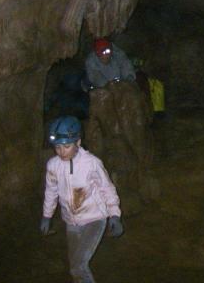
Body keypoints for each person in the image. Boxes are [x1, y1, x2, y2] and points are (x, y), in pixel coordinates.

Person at [40, 115, 123, 283]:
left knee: (78, 266)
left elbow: (106, 188)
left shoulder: (92, 163)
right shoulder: (53, 166)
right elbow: (51, 192)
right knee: (75, 264)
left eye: (67, 146)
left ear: (78, 143)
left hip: (95, 219)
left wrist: (114, 214)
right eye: (57, 147)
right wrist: (46, 216)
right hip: (71, 222)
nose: (61, 151)